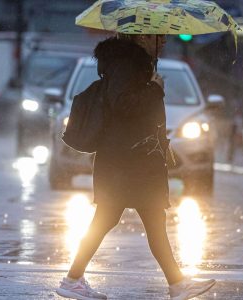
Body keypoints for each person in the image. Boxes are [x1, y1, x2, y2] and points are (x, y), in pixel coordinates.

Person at [56, 33, 215, 300]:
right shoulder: (126, 64)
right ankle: (73, 279)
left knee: (141, 221)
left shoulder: (132, 63)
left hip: (130, 159)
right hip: (127, 162)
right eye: (159, 36)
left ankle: (176, 284)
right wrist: (154, 88)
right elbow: (123, 105)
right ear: (143, 36)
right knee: (125, 220)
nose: (164, 41)